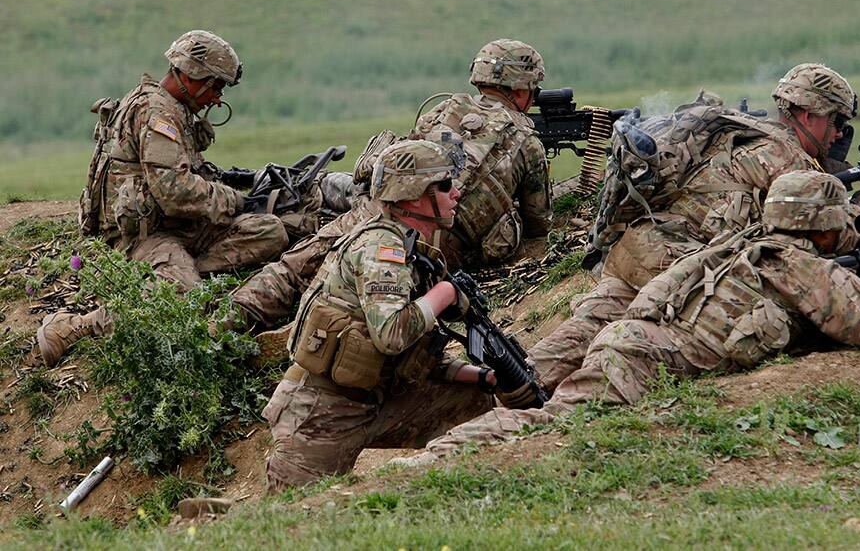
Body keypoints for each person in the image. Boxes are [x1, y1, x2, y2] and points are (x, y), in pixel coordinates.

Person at [395, 170, 860, 462]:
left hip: (635, 339)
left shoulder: (745, 244)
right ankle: (439, 454)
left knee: (555, 406)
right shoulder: (803, 268)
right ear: (824, 229)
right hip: (644, 358)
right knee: (556, 422)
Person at [527, 63, 860, 395]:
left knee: (569, 342)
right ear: (808, 115)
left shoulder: (736, 128)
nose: (839, 134)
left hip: (635, 249)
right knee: (625, 358)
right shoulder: (790, 164)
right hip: (676, 270)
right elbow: (827, 237)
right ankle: (559, 412)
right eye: (837, 122)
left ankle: (503, 391)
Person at [229, 39, 551, 332]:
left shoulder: (444, 110)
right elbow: (539, 224)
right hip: (434, 248)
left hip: (377, 211)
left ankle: (227, 323)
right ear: (521, 91)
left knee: (298, 266)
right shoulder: (528, 142)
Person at [36, 30, 288, 367]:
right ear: (189, 75)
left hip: (178, 227)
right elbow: (175, 192)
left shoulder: (173, 109)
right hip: (143, 235)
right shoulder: (157, 113)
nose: (216, 99)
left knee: (270, 231)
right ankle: (76, 326)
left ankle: (173, 273)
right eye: (215, 87)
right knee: (183, 297)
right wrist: (232, 200)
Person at [263, 140, 501, 490]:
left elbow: (412, 355)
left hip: (380, 398)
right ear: (412, 196)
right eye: (445, 185)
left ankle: (452, 496)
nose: (457, 193)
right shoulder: (381, 249)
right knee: (290, 519)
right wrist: (446, 293)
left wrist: (480, 377)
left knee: (472, 401)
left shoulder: (415, 251)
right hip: (322, 411)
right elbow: (391, 336)